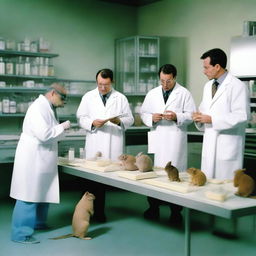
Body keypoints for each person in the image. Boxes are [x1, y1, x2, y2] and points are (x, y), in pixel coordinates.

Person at [10, 83, 71, 244]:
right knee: (28, 195)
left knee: (42, 192)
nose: (65, 102)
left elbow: (49, 133)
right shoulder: (38, 108)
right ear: (52, 93)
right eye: (63, 98)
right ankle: (20, 234)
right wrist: (63, 126)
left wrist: (59, 128)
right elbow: (44, 135)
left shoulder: (48, 107)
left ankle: (39, 223)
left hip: (42, 157)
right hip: (33, 157)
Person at [140, 64, 196, 225]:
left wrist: (176, 116)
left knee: (175, 175)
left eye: (169, 81)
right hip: (159, 138)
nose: (165, 84)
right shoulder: (152, 93)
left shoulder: (184, 93)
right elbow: (144, 113)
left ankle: (176, 212)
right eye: (162, 80)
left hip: (175, 140)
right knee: (156, 175)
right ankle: (153, 208)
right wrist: (152, 118)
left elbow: (191, 115)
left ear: (175, 77)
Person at [76, 68, 134, 222]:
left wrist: (119, 121)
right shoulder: (88, 97)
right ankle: (85, 213)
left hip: (112, 142)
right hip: (95, 141)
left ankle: (100, 214)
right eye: (100, 84)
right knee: (90, 179)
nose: (102, 88)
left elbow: (130, 119)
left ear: (112, 82)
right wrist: (92, 123)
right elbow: (80, 118)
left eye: (106, 85)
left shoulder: (120, 98)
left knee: (103, 180)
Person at [192, 48, 250, 180]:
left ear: (217, 67)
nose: (204, 71)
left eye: (206, 67)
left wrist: (212, 120)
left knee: (226, 190)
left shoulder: (237, 86)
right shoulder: (208, 86)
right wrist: (198, 117)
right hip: (210, 144)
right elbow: (204, 109)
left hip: (227, 147)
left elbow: (242, 116)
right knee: (208, 189)